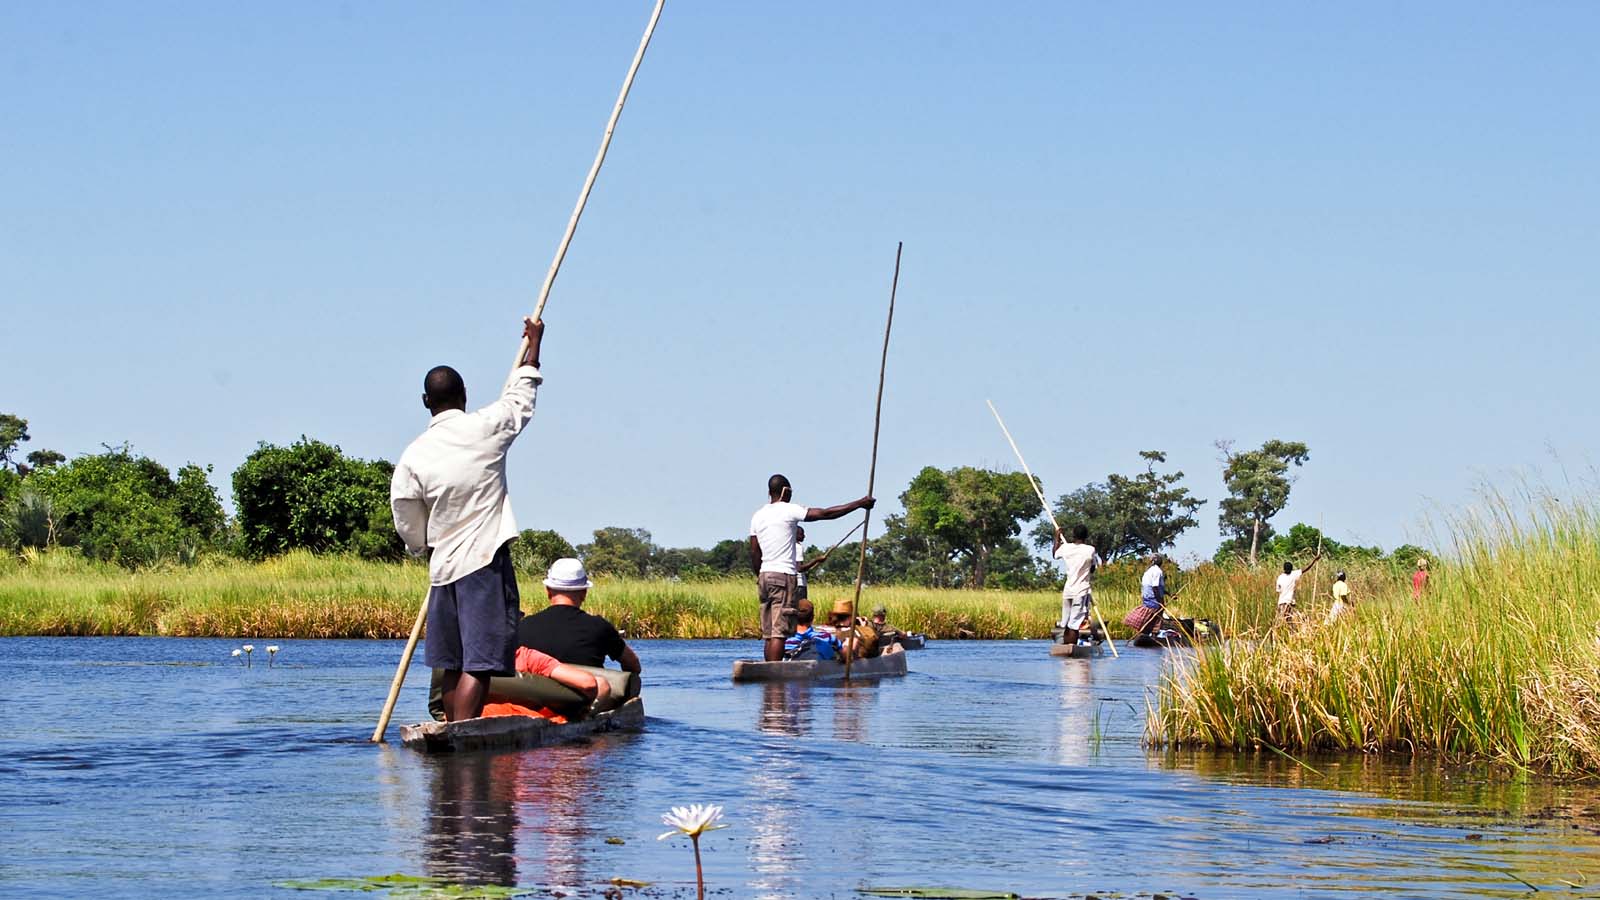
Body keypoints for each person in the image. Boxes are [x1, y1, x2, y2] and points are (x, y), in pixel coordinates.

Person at [391, 316, 544, 722]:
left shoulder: (415, 454)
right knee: (479, 663)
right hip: (482, 562)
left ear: (426, 401)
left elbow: (405, 511)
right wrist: (534, 346)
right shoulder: (484, 428)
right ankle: (461, 731)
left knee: (451, 662)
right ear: (464, 395)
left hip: (442, 568)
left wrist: (420, 546)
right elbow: (520, 400)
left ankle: (448, 729)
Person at [749, 474, 875, 661]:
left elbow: (754, 551)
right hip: (783, 575)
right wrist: (859, 503)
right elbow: (825, 514)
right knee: (779, 632)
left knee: (769, 633)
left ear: (769, 492)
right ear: (786, 491)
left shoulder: (757, 516)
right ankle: (775, 680)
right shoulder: (788, 509)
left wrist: (759, 574)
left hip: (764, 576)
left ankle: (768, 678)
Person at [517, 558, 642, 674]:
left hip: (538, 696)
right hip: (589, 696)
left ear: (548, 591)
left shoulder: (523, 627)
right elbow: (633, 665)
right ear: (584, 593)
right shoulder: (600, 627)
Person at [1052, 523, 1103, 645]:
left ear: (1073, 535)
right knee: (1074, 624)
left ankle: (1065, 647)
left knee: (1066, 622)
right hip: (1081, 590)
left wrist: (1057, 538)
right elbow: (1092, 568)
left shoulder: (1066, 548)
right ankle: (1071, 647)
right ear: (1085, 536)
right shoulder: (1089, 550)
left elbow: (1055, 554)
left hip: (1068, 590)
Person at [1124, 554, 1168, 636]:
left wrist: (1168, 594)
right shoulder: (1157, 571)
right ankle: (1153, 634)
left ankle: (1146, 633)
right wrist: (1160, 602)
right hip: (1153, 598)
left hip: (1147, 597)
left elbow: (1158, 587)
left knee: (1151, 617)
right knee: (1156, 617)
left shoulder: (1149, 571)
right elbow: (1155, 587)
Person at [1275, 553, 1323, 623]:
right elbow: (1306, 568)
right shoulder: (1293, 574)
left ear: (1284, 569)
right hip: (1288, 602)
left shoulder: (1280, 577)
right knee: (1288, 620)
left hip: (1281, 602)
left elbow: (1278, 590)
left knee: (1284, 620)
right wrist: (1314, 560)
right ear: (1291, 569)